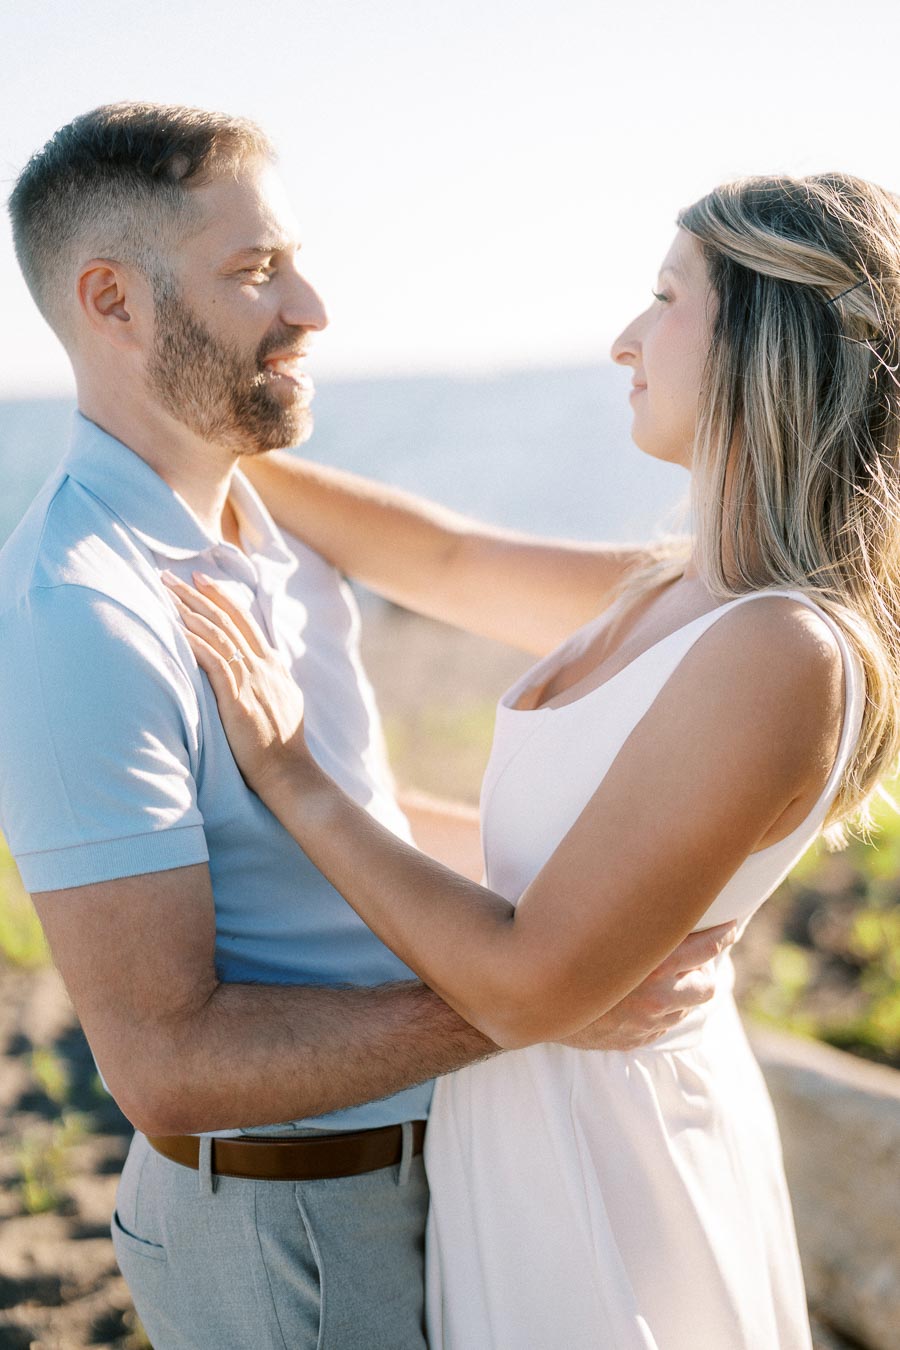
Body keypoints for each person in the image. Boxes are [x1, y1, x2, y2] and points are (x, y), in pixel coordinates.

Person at [0, 102, 731, 1349]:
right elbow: (163, 1059)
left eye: (292, 257)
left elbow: (366, 823)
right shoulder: (78, 612)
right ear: (112, 302)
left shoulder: (271, 529)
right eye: (254, 272)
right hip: (289, 1230)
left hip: (436, 1172)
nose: (314, 308)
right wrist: (540, 997)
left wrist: (579, 927)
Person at [167, 172, 900, 1349]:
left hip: (607, 1158)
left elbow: (522, 982)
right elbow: (444, 562)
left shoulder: (781, 647)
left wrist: (295, 772)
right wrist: (168, 446)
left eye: (665, 297)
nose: (623, 338)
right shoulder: (676, 587)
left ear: (771, 339)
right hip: (534, 1121)